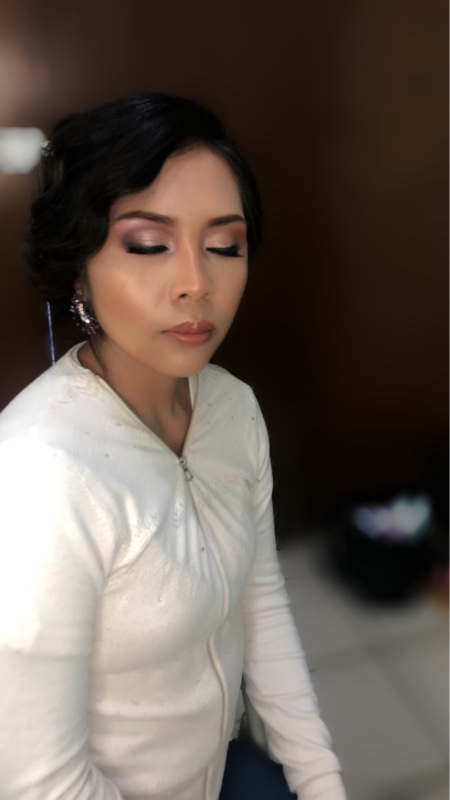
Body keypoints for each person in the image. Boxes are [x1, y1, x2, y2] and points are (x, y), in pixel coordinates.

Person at [0, 91, 346, 800]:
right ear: (78, 266)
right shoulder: (41, 478)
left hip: (217, 767)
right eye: (149, 245)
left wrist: (320, 780)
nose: (196, 283)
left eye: (224, 246)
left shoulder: (233, 409)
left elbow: (261, 602)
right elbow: (43, 782)